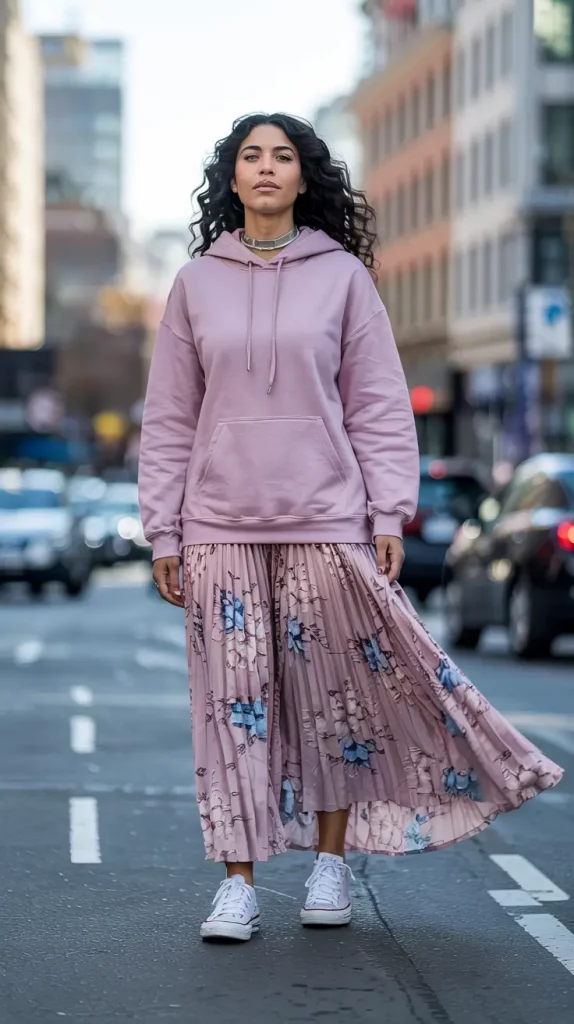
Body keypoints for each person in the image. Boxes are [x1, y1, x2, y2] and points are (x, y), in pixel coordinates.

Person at [138, 112, 563, 943]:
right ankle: (238, 884)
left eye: (282, 155)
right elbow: (169, 419)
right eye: (251, 156)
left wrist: (387, 510)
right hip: (218, 525)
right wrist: (164, 531)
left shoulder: (342, 277)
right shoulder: (195, 283)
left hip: (327, 522)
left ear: (305, 177)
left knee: (331, 702)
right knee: (232, 707)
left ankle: (330, 867)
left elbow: (377, 404)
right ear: (232, 178)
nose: (266, 167)